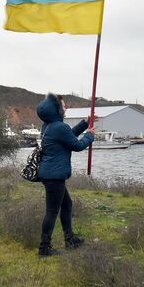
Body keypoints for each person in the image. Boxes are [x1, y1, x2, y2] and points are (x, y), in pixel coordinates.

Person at [36, 94, 95, 256]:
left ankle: (70, 240)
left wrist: (85, 124)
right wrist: (89, 136)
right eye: (62, 106)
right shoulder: (59, 127)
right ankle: (44, 248)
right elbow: (76, 145)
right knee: (52, 211)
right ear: (56, 110)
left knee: (66, 205)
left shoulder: (48, 126)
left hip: (50, 174)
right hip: (54, 176)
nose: (65, 108)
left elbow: (68, 136)